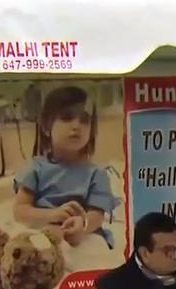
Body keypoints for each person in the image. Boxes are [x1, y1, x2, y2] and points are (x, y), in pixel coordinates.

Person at [14, 85, 120, 248]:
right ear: (46, 127)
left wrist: (82, 224)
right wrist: (52, 215)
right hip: (44, 230)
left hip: (82, 234)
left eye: (84, 120)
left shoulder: (96, 174)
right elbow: (20, 210)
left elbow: (96, 216)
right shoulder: (36, 168)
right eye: (67, 117)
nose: (76, 125)